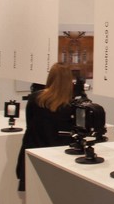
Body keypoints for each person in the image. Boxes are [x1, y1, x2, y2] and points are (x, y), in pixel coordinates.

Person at [15, 63, 77, 191]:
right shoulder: (71, 106)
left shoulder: (35, 99)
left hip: (34, 151)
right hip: (60, 158)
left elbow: (29, 125)